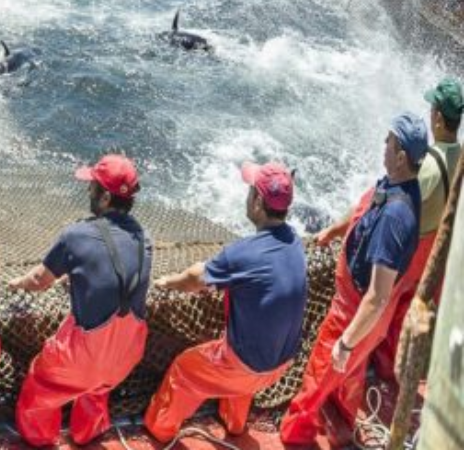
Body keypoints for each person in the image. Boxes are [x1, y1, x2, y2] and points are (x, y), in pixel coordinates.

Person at [279, 113, 428, 446]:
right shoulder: (397, 182)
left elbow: (377, 295)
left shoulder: (395, 218)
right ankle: (343, 419)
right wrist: (335, 229)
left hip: (355, 311)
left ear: (402, 156)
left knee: (319, 374)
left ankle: (295, 434)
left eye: (388, 142)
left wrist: (346, 341)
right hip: (362, 312)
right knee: (351, 372)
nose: (383, 147)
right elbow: (366, 203)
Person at [143, 161, 306, 442]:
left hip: (246, 367)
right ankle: (234, 423)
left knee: (184, 369)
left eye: (250, 190)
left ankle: (160, 429)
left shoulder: (242, 254)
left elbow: (196, 278)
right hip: (281, 364)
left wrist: (168, 281)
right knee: (235, 353)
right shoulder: (295, 241)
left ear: (257, 200)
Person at [9, 154, 152, 447]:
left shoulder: (76, 235)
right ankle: (88, 432)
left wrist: (16, 283)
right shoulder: (144, 237)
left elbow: (39, 280)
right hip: (124, 358)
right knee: (97, 388)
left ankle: (41, 438)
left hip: (81, 359)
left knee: (41, 384)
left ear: (104, 197)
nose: (88, 191)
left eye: (92, 187)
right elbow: (110, 272)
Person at [365, 79, 460, 382]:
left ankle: (379, 365)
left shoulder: (430, 165)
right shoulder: (459, 153)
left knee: (389, 304)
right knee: (410, 307)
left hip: (415, 246)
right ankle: (398, 365)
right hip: (436, 246)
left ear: (437, 118)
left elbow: (402, 200)